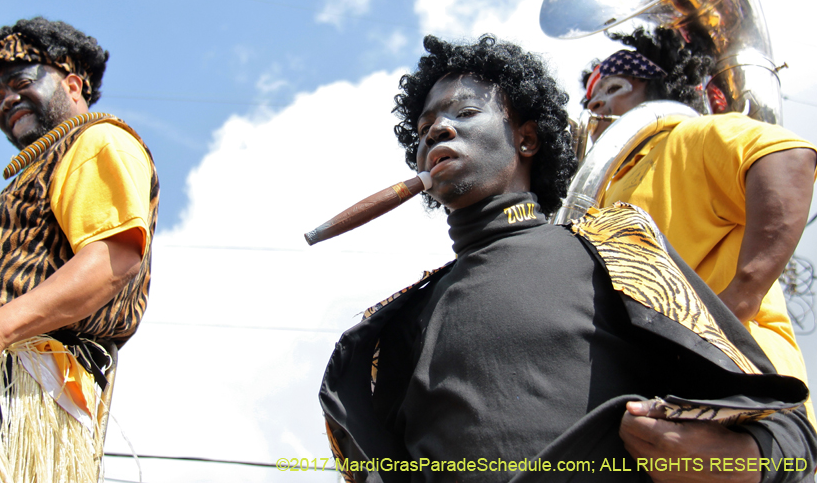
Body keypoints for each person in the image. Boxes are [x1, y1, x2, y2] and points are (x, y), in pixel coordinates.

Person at [319, 34, 816, 483]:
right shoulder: (384, 335)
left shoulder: (617, 251)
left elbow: (790, 439)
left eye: (464, 113)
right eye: (425, 127)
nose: (438, 131)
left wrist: (735, 460)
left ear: (527, 139)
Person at [0, 5, 159, 481]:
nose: (5, 98)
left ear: (73, 84)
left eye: (20, 80)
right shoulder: (20, 192)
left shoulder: (97, 140)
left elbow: (113, 256)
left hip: (5, 397)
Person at [582, 27, 817, 426]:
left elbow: (788, 157)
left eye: (614, 86)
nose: (597, 103)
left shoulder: (686, 136)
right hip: (656, 397)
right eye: (591, 98)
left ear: (654, 88)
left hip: (741, 387)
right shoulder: (602, 187)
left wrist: (740, 298)